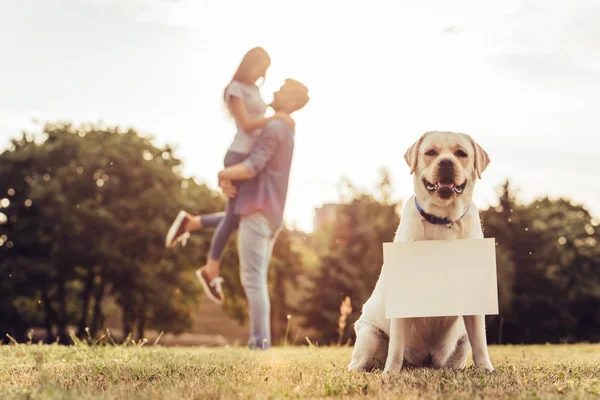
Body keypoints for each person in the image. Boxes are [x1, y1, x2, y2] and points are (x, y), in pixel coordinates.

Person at [169, 78, 309, 349]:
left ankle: (260, 344)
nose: (275, 90)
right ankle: (192, 223)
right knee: (249, 258)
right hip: (269, 213)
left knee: (253, 279)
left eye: (282, 90)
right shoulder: (285, 128)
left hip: (258, 210)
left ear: (291, 101)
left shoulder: (276, 127)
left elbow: (252, 167)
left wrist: (222, 174)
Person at [165, 47, 292, 304]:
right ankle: (210, 267)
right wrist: (275, 118)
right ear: (249, 64)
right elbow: (246, 124)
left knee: (238, 215)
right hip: (238, 156)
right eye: (261, 68)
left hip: (251, 158)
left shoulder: (255, 91)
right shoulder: (235, 89)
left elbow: (281, 106)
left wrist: (282, 113)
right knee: (235, 214)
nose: (262, 75)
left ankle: (192, 225)